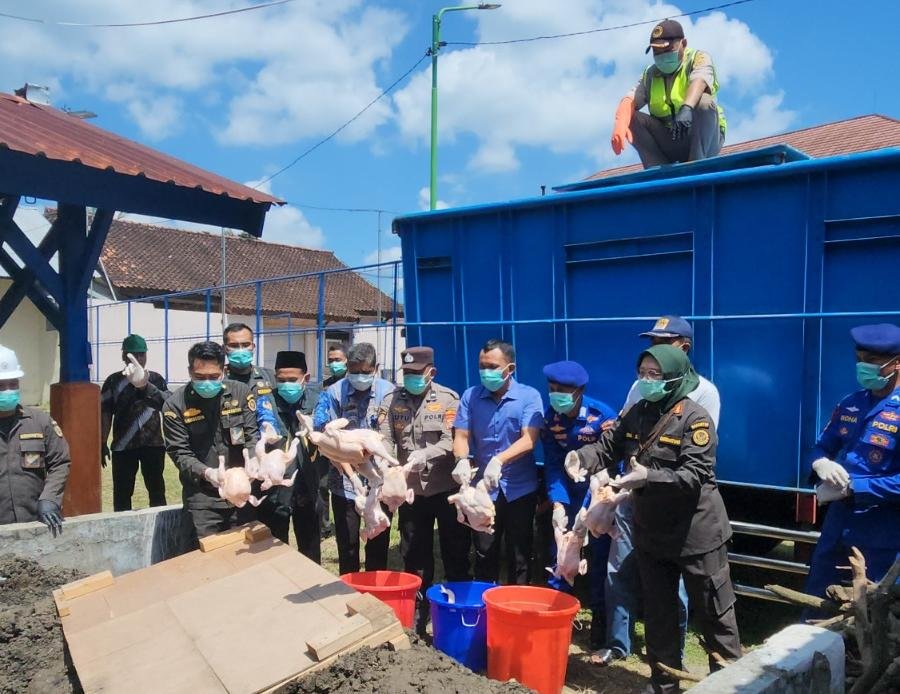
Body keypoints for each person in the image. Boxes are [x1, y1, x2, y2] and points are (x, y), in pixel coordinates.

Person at [569, 344, 741, 693]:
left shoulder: (695, 419)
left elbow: (695, 475)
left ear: (676, 378)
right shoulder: (638, 412)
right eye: (643, 373)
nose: (647, 380)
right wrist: (581, 458)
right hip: (652, 534)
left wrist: (648, 477)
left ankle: (732, 685)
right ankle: (664, 684)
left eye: (655, 375)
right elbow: (608, 445)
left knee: (715, 615)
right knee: (659, 615)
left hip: (696, 534)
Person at [595, 316, 711, 667]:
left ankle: (671, 658)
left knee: (672, 585)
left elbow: (696, 460)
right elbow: (622, 435)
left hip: (672, 505)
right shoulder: (641, 387)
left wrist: (647, 477)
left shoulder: (704, 394)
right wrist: (613, 481)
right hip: (633, 495)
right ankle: (618, 644)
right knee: (619, 569)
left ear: (683, 348)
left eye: (663, 343)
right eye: (651, 343)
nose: (653, 351)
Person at [804, 323, 900, 601]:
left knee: (875, 611)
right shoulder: (851, 403)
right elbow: (822, 446)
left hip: (883, 532)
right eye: (859, 359)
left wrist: (855, 488)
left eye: (872, 360)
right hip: (838, 525)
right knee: (819, 599)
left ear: (896, 363)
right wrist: (820, 463)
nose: (863, 367)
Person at [379, 346, 469, 634]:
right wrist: (388, 463)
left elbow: (451, 440)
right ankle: (419, 608)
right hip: (411, 491)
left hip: (444, 487)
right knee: (414, 551)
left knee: (455, 549)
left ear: (431, 372)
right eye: (407, 373)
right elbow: (386, 437)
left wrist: (425, 454)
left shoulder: (448, 399)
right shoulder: (392, 400)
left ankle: (457, 606)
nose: (411, 379)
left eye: (417, 373)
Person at [452, 339, 544, 584]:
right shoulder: (471, 396)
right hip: (484, 490)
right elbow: (461, 436)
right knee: (484, 549)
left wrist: (499, 460)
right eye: (482, 366)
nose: (486, 372)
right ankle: (484, 598)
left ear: (510, 368)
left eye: (492, 367)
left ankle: (516, 600)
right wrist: (461, 459)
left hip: (519, 487)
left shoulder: (529, 396)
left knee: (519, 551)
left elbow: (529, 439)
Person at [541, 360, 617, 648]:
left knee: (598, 562)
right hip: (568, 496)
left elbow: (612, 465)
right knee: (561, 557)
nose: (555, 395)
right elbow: (553, 464)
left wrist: (589, 507)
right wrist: (558, 504)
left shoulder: (601, 416)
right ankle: (556, 624)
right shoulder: (551, 418)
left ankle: (600, 630)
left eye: (562, 390)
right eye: (551, 389)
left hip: (598, 498)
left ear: (579, 391)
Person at [162, 341, 259, 540]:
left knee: (243, 551)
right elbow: (180, 453)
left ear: (223, 371)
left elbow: (251, 436)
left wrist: (253, 461)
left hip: (241, 491)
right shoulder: (175, 406)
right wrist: (208, 473)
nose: (207, 382)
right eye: (200, 377)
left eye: (214, 377)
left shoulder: (240, 393)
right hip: (203, 499)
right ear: (190, 372)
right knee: (206, 553)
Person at [314, 342, 395, 574]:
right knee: (348, 545)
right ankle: (349, 589)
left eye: (365, 372)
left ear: (376, 368)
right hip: (345, 483)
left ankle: (375, 590)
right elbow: (326, 440)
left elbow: (393, 436)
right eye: (354, 371)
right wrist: (352, 477)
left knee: (378, 543)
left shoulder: (389, 392)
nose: (359, 376)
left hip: (380, 481)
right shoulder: (333, 393)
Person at [610, 19, 726, 169]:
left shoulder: (698, 59)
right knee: (630, 116)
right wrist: (620, 123)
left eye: (667, 49)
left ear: (683, 44)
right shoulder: (650, 74)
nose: (662, 55)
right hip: (671, 140)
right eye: (656, 52)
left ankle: (696, 165)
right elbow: (630, 99)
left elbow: (700, 80)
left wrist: (687, 108)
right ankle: (656, 169)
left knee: (704, 102)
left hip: (705, 138)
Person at [255, 350, 323, 562]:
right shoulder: (267, 400)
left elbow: (324, 427)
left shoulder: (318, 400)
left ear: (306, 378)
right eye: (281, 380)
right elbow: (265, 419)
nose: (286, 385)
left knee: (310, 547)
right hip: (277, 487)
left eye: (292, 380)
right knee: (275, 547)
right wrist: (268, 430)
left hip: (308, 483)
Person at [0, 344, 69, 537]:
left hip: (36, 525)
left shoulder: (40, 422)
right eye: (1, 385)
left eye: (13, 384)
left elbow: (60, 462)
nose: (7, 391)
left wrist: (50, 498)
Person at [100, 334, 170, 511]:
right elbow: (105, 412)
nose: (138, 359)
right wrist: (102, 441)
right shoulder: (113, 381)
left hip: (153, 444)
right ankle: (122, 526)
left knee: (157, 491)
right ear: (124, 356)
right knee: (122, 494)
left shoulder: (155, 379)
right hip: (123, 446)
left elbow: (168, 407)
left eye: (141, 354)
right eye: (133, 355)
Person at [317, 342, 350, 537]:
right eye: (331, 360)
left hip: (348, 440)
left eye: (338, 360)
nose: (333, 364)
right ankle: (324, 526)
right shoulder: (325, 386)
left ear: (346, 360)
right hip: (327, 440)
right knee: (324, 484)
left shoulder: (353, 383)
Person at [222, 322, 279, 432]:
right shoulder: (219, 380)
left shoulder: (268, 376)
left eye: (245, 345)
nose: (241, 350)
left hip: (269, 438)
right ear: (224, 349)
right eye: (234, 346)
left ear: (253, 347)